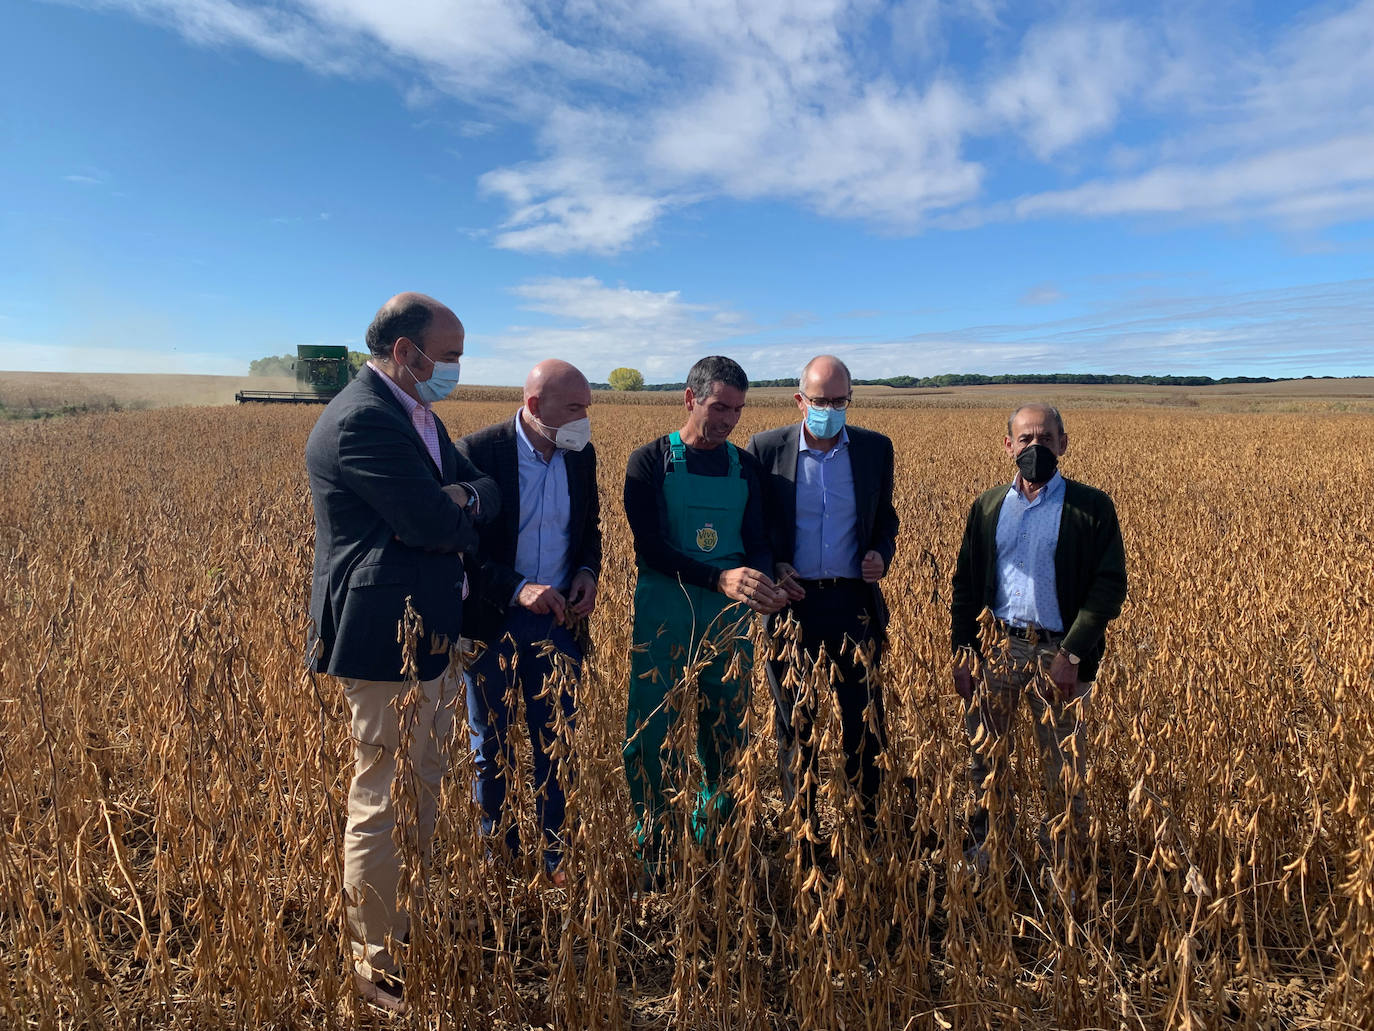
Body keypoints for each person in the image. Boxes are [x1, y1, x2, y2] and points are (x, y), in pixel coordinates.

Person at [306, 292, 499, 1014]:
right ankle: (373, 961)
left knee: (424, 779)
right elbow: (425, 519)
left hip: (429, 630)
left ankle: (405, 918)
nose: (454, 368)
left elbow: (484, 493)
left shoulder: (420, 414)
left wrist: (464, 502)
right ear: (404, 353)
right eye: (447, 356)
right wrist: (454, 506)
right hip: (382, 634)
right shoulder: (362, 418)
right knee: (380, 796)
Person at [622, 356, 786, 889]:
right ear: (690, 399)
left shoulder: (746, 467)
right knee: (653, 733)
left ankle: (719, 834)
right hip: (666, 612)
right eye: (720, 407)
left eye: (738, 410)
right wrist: (719, 579)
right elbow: (650, 550)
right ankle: (659, 847)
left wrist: (763, 579)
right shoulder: (649, 462)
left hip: (731, 617)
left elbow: (757, 538)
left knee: (727, 729)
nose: (730, 421)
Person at [949, 403, 1126, 882]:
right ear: (1008, 445)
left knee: (1063, 766)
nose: (1035, 448)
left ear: (1063, 444)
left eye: (1045, 439)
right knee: (985, 759)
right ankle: (986, 856)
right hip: (998, 649)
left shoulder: (1091, 507)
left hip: (1059, 654)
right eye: (1025, 439)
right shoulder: (988, 507)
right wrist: (963, 651)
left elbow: (1109, 588)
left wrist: (1072, 653)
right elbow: (966, 584)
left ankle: (1064, 867)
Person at [456, 360, 602, 888]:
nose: (585, 419)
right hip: (493, 620)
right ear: (535, 407)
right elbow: (461, 548)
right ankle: (496, 854)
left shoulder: (579, 455)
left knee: (555, 738)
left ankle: (555, 852)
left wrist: (586, 571)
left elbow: (590, 527)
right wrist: (517, 587)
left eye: (586, 406)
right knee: (490, 741)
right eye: (576, 408)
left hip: (558, 622)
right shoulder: (478, 453)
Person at [746, 355, 898, 855]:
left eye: (839, 401)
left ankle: (869, 828)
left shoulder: (876, 450)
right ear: (799, 400)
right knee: (796, 724)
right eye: (820, 401)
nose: (830, 410)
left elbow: (885, 519)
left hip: (854, 603)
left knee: (865, 720)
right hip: (791, 608)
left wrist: (880, 551)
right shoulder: (766, 450)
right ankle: (804, 833)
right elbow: (753, 529)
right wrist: (775, 567)